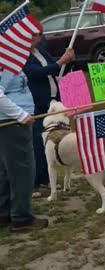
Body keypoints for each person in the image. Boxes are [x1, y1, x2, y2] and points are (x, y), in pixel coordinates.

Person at [23, 30, 74, 198]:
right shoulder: (21, 57)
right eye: (29, 34)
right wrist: (60, 62)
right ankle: (36, 183)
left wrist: (66, 61)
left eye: (36, 34)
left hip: (52, 101)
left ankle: (47, 179)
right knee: (39, 142)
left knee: (56, 138)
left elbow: (54, 68)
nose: (33, 37)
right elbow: (36, 73)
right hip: (37, 104)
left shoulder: (40, 51)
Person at [0, 69, 49, 232]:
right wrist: (20, 114)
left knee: (7, 170)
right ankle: (22, 218)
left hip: (10, 121)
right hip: (12, 122)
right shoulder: (5, 60)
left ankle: (5, 213)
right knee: (22, 170)